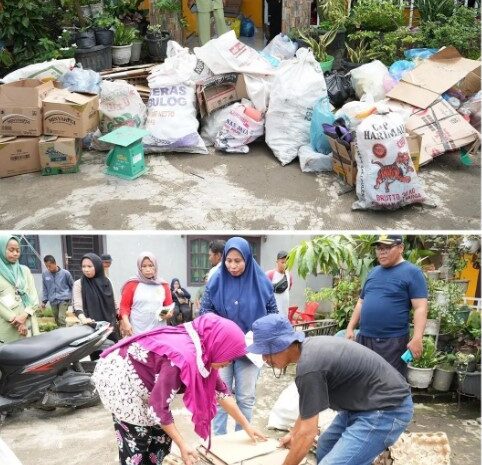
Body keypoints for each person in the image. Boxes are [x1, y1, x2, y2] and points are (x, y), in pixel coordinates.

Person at [92, 313, 267, 465]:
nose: (229, 363)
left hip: (147, 382)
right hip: (120, 379)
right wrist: (183, 445)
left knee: (161, 439)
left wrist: (246, 426)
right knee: (137, 441)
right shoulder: (181, 360)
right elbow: (158, 407)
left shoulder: (205, 353)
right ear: (219, 346)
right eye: (229, 356)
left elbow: (222, 393)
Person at [248, 314, 414, 465]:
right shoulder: (307, 352)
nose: (265, 359)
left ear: (282, 345)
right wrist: (293, 433)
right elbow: (308, 410)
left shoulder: (309, 367)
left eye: (266, 352)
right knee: (325, 446)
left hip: (388, 409)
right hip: (362, 405)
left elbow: (307, 434)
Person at [199, 236, 278, 435]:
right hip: (221, 352)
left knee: (245, 398)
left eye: (238, 261)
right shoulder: (216, 281)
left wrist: (262, 338)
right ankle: (219, 442)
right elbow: (205, 314)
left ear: (248, 259)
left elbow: (273, 316)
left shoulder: (261, 282)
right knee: (220, 397)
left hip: (250, 352)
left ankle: (241, 439)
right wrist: (222, 333)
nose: (232, 266)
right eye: (229, 260)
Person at [346, 234, 428, 376]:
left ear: (401, 247)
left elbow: (420, 307)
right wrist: (350, 328)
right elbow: (361, 302)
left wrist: (417, 338)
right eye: (379, 248)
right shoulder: (373, 272)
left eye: (387, 247)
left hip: (392, 342)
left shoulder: (412, 272)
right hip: (365, 338)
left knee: (389, 383)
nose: (382, 252)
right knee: (363, 379)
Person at [72, 253, 119, 357]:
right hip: (93, 327)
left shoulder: (107, 281)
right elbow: (77, 306)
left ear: (97, 266)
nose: (86, 269)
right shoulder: (79, 284)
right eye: (83, 266)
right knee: (97, 359)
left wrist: (121, 319)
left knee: (114, 357)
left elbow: (114, 304)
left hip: (110, 326)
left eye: (89, 266)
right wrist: (83, 319)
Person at [119, 252, 174, 337]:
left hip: (158, 330)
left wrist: (166, 314)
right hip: (136, 329)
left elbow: (168, 306)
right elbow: (124, 307)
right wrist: (126, 323)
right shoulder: (132, 284)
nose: (148, 269)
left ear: (155, 266)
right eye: (144, 266)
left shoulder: (163, 285)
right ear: (139, 267)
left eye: (151, 265)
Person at [0, 235, 39, 344]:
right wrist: (17, 321)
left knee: (32, 354)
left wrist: (24, 315)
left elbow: (33, 296)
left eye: (18, 250)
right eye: (11, 250)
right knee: (9, 357)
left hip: (28, 320)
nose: (15, 253)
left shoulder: (24, 270)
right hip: (7, 325)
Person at [41, 255, 74, 327]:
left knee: (61, 318)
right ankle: (64, 331)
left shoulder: (65, 273)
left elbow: (73, 286)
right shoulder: (45, 274)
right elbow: (45, 288)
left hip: (64, 299)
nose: (48, 268)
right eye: (46, 266)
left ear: (55, 263)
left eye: (50, 266)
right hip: (53, 299)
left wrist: (72, 299)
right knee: (56, 319)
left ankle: (64, 336)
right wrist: (44, 301)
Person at [266, 250, 293, 317]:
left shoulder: (289, 275)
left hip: (284, 314)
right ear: (277, 262)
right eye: (282, 262)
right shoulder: (270, 274)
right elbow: (264, 292)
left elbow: (288, 290)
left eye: (287, 262)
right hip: (272, 314)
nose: (285, 264)